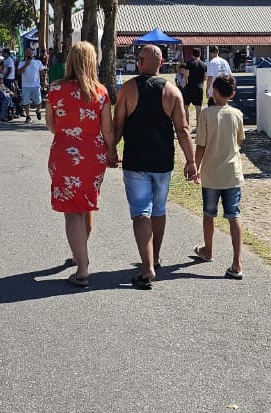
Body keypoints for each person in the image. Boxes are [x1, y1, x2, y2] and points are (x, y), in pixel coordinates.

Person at [113, 44, 198, 290]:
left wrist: (110, 150)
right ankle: (156, 257)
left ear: (140, 62)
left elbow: (118, 125)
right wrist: (191, 161)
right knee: (158, 210)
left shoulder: (128, 88)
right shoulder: (172, 92)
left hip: (136, 160)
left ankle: (147, 266)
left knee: (141, 212)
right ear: (161, 63)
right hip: (163, 162)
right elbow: (183, 130)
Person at [46, 41, 119, 287]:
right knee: (86, 204)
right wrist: (111, 151)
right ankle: (81, 253)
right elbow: (107, 130)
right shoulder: (101, 91)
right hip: (93, 155)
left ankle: (83, 268)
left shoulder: (55, 90)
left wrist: (68, 135)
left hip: (65, 152)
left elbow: (51, 124)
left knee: (72, 211)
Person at [193, 75, 246, 279]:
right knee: (234, 215)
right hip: (232, 173)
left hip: (211, 174)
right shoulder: (237, 114)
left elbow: (201, 146)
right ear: (232, 94)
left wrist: (195, 167)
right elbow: (240, 140)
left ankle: (208, 249)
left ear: (214, 92)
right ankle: (237, 262)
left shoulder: (206, 114)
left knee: (209, 214)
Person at [181, 47, 206, 130]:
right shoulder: (203, 64)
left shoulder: (189, 64)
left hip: (189, 87)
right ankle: (198, 126)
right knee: (198, 108)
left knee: (185, 106)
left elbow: (186, 76)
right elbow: (205, 78)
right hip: (199, 87)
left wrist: (184, 84)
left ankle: (187, 125)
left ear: (192, 54)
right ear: (200, 54)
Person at [18, 47, 45, 122]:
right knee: (26, 101)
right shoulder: (22, 62)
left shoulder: (37, 62)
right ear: (25, 54)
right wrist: (26, 65)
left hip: (36, 85)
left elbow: (42, 72)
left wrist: (43, 82)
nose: (28, 54)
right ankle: (27, 116)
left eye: (30, 52)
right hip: (25, 85)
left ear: (32, 53)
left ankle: (38, 111)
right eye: (27, 53)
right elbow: (19, 72)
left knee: (38, 100)